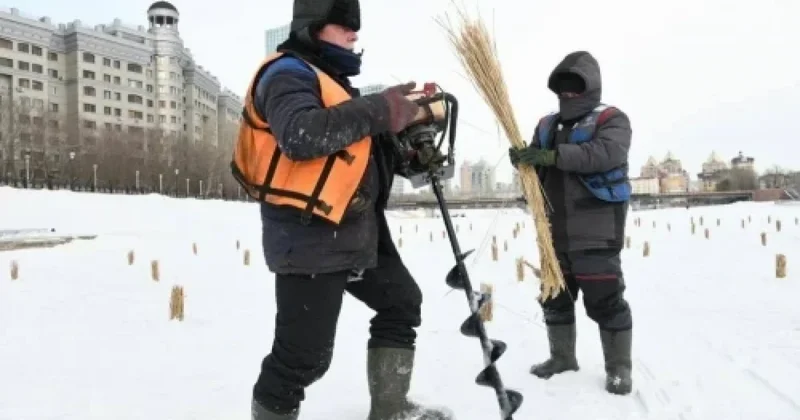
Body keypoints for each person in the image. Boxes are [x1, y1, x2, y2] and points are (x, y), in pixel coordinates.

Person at [232, 1, 454, 419]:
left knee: (401, 304)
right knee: (302, 358)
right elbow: (302, 135)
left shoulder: (333, 82)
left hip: (355, 232)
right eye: (344, 24)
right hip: (310, 237)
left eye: (356, 26)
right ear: (314, 26)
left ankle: (389, 410)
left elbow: (355, 155)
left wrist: (408, 148)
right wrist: (382, 109)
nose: (355, 33)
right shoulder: (287, 73)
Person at [508, 50, 634, 395]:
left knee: (605, 299)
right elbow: (536, 167)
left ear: (590, 86)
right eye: (562, 86)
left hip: (596, 229)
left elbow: (606, 153)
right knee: (554, 296)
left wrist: (552, 156)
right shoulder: (546, 125)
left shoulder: (611, 119)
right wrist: (524, 161)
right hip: (552, 231)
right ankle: (562, 357)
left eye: (574, 85)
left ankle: (619, 368)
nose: (567, 92)